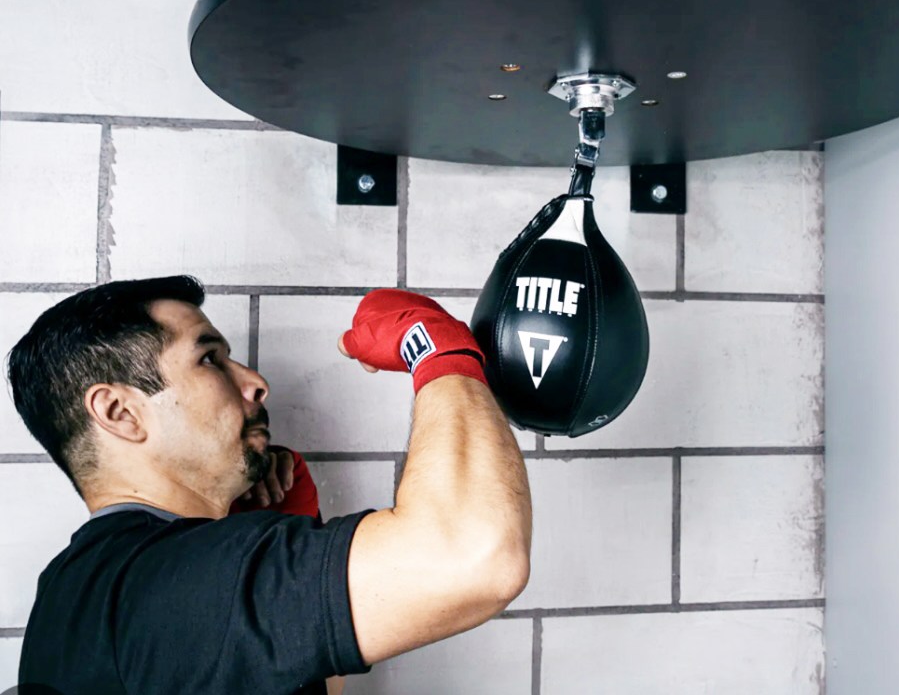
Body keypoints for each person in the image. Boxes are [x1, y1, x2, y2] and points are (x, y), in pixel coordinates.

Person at [5, 276, 532, 694]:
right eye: (209, 359)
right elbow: (475, 556)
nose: (256, 382)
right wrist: (438, 352)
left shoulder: (75, 585)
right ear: (120, 412)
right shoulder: (182, 578)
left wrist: (289, 525)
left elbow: (313, 682)